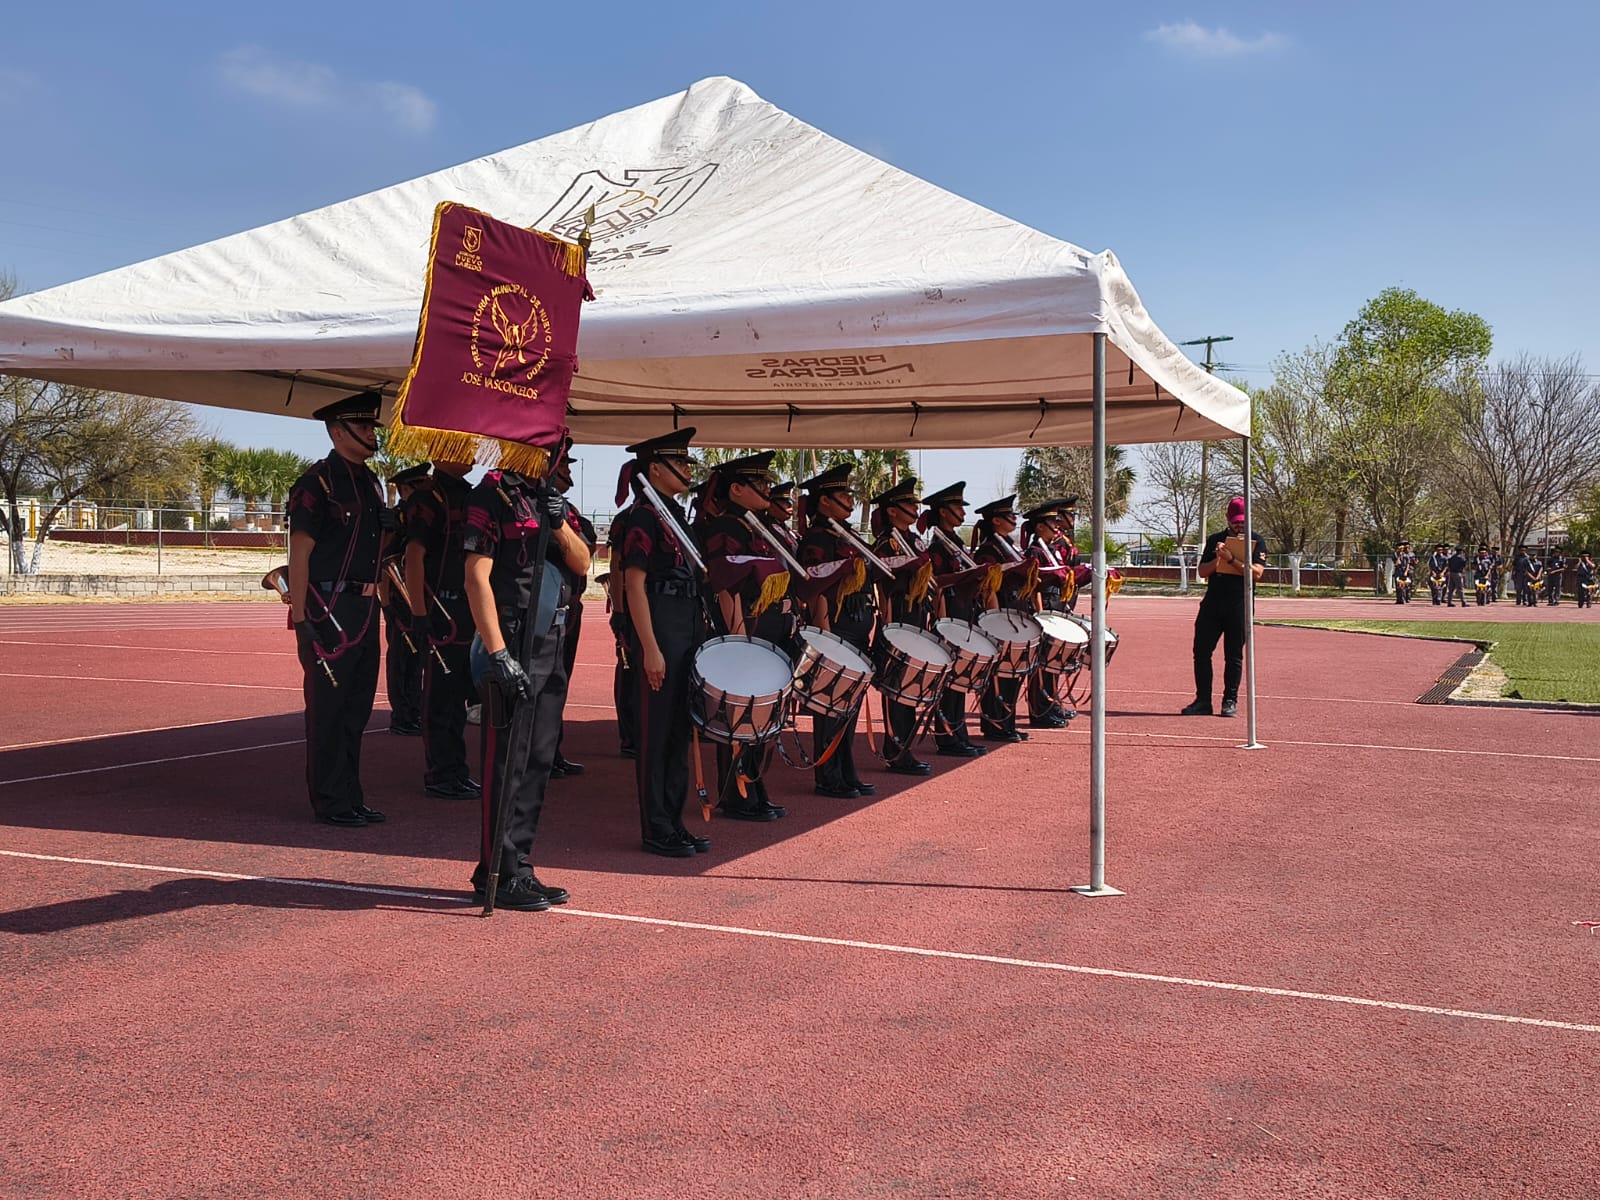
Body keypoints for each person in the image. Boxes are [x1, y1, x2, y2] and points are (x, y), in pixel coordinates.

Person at [462, 445, 591, 911]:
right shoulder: (492, 495)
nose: (561, 460)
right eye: (555, 451)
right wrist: (496, 651)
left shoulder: (554, 501)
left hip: (552, 639)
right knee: (507, 762)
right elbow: (476, 575)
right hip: (514, 639)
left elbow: (583, 563)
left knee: (537, 759)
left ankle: (520, 866)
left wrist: (557, 523)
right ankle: (494, 871)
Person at [285, 392, 389, 827]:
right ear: (336, 429)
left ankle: (351, 793)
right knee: (328, 710)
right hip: (329, 608)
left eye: (370, 427)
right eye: (361, 427)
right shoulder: (318, 483)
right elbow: (300, 553)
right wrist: (301, 620)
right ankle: (330, 799)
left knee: (357, 708)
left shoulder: (370, 483)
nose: (370, 434)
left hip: (366, 609)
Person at [618, 428, 713, 858]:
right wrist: (650, 648)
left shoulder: (674, 515)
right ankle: (655, 826)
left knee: (679, 731)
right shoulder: (643, 517)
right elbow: (633, 584)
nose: (689, 469)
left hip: (687, 624)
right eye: (682, 462)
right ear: (656, 468)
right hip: (661, 626)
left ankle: (674, 821)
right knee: (656, 735)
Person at [701, 451, 794, 818]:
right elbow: (726, 585)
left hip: (770, 627)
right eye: (761, 484)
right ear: (737, 489)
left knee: (763, 716)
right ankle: (736, 794)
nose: (768, 489)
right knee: (741, 714)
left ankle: (755, 786)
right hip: (746, 628)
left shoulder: (755, 526)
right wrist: (738, 636)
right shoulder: (727, 527)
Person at [798, 462, 879, 799]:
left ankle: (845, 771)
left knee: (850, 705)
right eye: (842, 493)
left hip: (858, 622)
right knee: (832, 705)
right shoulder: (818, 537)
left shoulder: (846, 534)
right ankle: (828, 775)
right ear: (824, 502)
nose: (849, 498)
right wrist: (825, 631)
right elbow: (813, 582)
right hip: (837, 623)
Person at [401, 457, 480, 800]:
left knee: (458, 695)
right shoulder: (428, 498)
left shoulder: (470, 495)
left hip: (467, 607)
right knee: (440, 698)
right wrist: (419, 612)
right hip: (440, 608)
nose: (472, 453)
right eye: (463, 446)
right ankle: (441, 772)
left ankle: (455, 769)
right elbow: (414, 556)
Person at [870, 476, 934, 775]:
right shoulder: (888, 541)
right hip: (898, 614)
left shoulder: (912, 539)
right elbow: (881, 576)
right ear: (892, 510)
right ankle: (896, 748)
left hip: (917, 613)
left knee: (910, 685)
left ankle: (904, 747)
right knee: (897, 686)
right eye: (909, 504)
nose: (914, 507)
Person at [1182, 496, 1266, 718]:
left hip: (1239, 605)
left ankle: (1230, 701)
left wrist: (1232, 560)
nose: (1239, 525)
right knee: (1201, 651)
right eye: (1236, 521)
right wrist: (1219, 559)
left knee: (1234, 655)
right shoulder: (1215, 540)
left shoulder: (1256, 541)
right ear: (1228, 519)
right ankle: (1202, 700)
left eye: (1243, 521)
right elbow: (1202, 572)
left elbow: (1257, 573)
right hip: (1212, 604)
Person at [921, 481, 987, 758]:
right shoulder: (938, 547)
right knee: (950, 681)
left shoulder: (954, 543)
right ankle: (947, 737)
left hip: (962, 612)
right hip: (947, 614)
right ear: (943, 512)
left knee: (959, 680)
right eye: (957, 507)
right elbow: (934, 583)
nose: (962, 512)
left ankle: (959, 733)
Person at [549, 447, 596, 779]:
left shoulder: (569, 510)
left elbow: (583, 558)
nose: (568, 470)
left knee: (558, 685)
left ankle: (552, 750)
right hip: (538, 613)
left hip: (569, 610)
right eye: (562, 463)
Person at [971, 495, 1030, 745]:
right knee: (999, 674)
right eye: (1010, 516)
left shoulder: (1008, 545)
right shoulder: (988, 549)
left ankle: (1007, 721)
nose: (1014, 519)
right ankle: (995, 723)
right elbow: (988, 587)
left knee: (1013, 672)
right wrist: (994, 619)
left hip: (1014, 611)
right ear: (995, 520)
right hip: (999, 613)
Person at [381, 463, 430, 735]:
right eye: (420, 485)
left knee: (418, 659)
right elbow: (385, 562)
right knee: (402, 659)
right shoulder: (396, 520)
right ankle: (402, 715)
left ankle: (415, 710)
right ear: (405, 489)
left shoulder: (418, 516)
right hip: (399, 601)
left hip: (419, 598)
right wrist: (388, 605)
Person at [1022, 500, 1074, 724]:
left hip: (1057, 606)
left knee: (1052, 662)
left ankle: (1051, 704)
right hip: (1045, 609)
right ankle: (1039, 711)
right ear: (1039, 527)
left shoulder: (1052, 550)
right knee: (1041, 663)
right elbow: (1035, 586)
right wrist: (1041, 615)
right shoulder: (1035, 551)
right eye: (1052, 523)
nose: (1057, 526)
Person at [604, 500, 640, 760]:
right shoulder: (627, 517)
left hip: (660, 605)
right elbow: (616, 564)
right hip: (630, 602)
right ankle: (629, 735)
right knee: (629, 670)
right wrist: (618, 610)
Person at [1392, 540, 1416, 605]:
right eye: (1400, 549)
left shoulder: (1406, 555)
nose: (1401, 550)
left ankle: (1404, 599)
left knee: (1405, 586)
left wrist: (1406, 571)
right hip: (1398, 571)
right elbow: (1396, 563)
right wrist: (1399, 556)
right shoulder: (1395, 554)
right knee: (1398, 586)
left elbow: (1408, 563)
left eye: (1402, 549)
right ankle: (1398, 599)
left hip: (1404, 571)